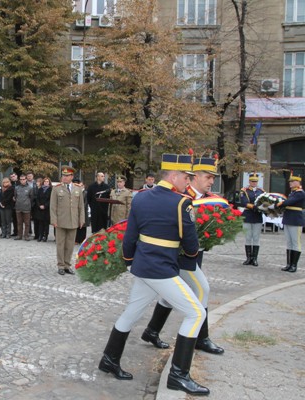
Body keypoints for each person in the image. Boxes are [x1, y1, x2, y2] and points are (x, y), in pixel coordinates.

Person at [97, 154, 209, 396]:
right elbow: (190, 245)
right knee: (196, 312)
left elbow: (130, 235)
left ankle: (109, 359)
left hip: (142, 265)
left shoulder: (141, 197)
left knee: (131, 312)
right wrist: (191, 251)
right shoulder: (182, 203)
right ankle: (178, 376)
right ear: (174, 176)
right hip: (161, 268)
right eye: (186, 177)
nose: (187, 182)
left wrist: (129, 261)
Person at [141, 157, 224, 356]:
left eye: (213, 178)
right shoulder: (181, 196)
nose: (211, 182)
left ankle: (152, 331)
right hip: (180, 255)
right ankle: (201, 338)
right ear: (194, 178)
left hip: (194, 253)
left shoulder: (207, 198)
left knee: (174, 294)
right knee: (202, 289)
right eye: (207, 177)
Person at [50, 165, 85, 275]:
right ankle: (60, 265)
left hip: (73, 221)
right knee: (60, 244)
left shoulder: (78, 189)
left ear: (72, 176)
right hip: (60, 221)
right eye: (63, 175)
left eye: (67, 175)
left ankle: (67, 265)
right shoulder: (57, 188)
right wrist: (54, 219)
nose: (64, 177)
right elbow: (53, 206)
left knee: (70, 245)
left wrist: (81, 219)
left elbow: (81, 207)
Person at [277, 174, 305, 273]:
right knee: (289, 242)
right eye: (290, 182)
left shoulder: (300, 193)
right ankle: (289, 264)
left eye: (293, 182)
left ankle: (294, 265)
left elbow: (290, 202)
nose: (290, 183)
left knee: (295, 242)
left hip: (295, 220)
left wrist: (279, 203)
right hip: (288, 218)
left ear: (298, 183)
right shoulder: (292, 193)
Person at [239, 173, 264, 266]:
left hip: (257, 216)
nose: (254, 183)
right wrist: (255, 207)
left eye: (255, 181)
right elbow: (244, 202)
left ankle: (255, 259)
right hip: (248, 215)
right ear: (249, 181)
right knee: (248, 237)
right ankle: (248, 258)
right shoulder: (244, 191)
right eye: (252, 181)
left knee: (256, 238)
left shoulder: (261, 191)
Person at [14, 174, 34, 241]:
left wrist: (27, 203)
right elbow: (15, 196)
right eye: (21, 179)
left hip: (26, 208)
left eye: (23, 179)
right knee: (19, 223)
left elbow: (31, 198)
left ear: (26, 180)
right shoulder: (17, 188)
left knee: (27, 223)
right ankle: (19, 235)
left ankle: (26, 235)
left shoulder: (30, 188)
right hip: (18, 207)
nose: (22, 181)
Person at [35, 177, 52, 242]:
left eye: (47, 181)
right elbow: (37, 198)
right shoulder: (40, 189)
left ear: (49, 182)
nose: (46, 183)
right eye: (45, 181)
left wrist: (45, 206)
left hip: (46, 209)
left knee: (46, 224)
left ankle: (45, 236)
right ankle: (40, 236)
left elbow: (50, 200)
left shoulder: (51, 190)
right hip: (40, 209)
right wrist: (39, 205)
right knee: (40, 223)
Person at [74, 178, 88, 244]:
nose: (81, 186)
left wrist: (81, 209)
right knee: (77, 226)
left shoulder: (85, 193)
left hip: (83, 211)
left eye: (82, 185)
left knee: (83, 226)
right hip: (76, 211)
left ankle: (82, 239)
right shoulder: (77, 192)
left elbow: (85, 203)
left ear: (84, 186)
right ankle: (77, 239)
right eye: (80, 185)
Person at [9, 172, 19, 237]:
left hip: (19, 202)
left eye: (14, 176)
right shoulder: (10, 184)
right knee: (14, 219)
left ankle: (20, 232)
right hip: (12, 203)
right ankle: (15, 231)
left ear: (16, 176)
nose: (13, 177)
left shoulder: (20, 183)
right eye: (12, 177)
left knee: (20, 219)